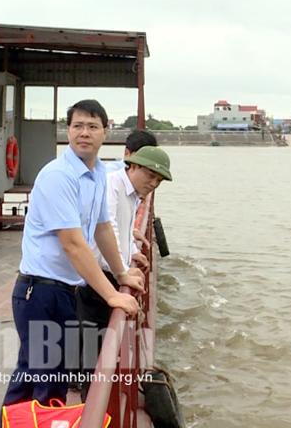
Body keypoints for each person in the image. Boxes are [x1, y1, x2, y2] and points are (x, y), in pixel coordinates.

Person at [0, 100, 144, 423]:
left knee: (39, 380)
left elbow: (102, 228)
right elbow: (73, 245)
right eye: (77, 126)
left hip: (64, 291)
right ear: (68, 131)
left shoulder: (98, 174)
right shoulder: (58, 176)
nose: (84, 133)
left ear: (106, 132)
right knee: (44, 383)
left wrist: (121, 272)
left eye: (92, 126)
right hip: (39, 293)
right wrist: (112, 294)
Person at [77, 141, 172, 399]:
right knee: (93, 347)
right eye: (150, 175)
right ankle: (89, 403)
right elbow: (106, 230)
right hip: (94, 279)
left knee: (100, 343)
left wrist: (131, 254)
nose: (153, 183)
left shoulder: (132, 193)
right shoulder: (111, 185)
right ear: (133, 166)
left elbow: (123, 229)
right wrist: (124, 271)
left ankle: (93, 397)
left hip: (109, 274)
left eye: (159, 180)